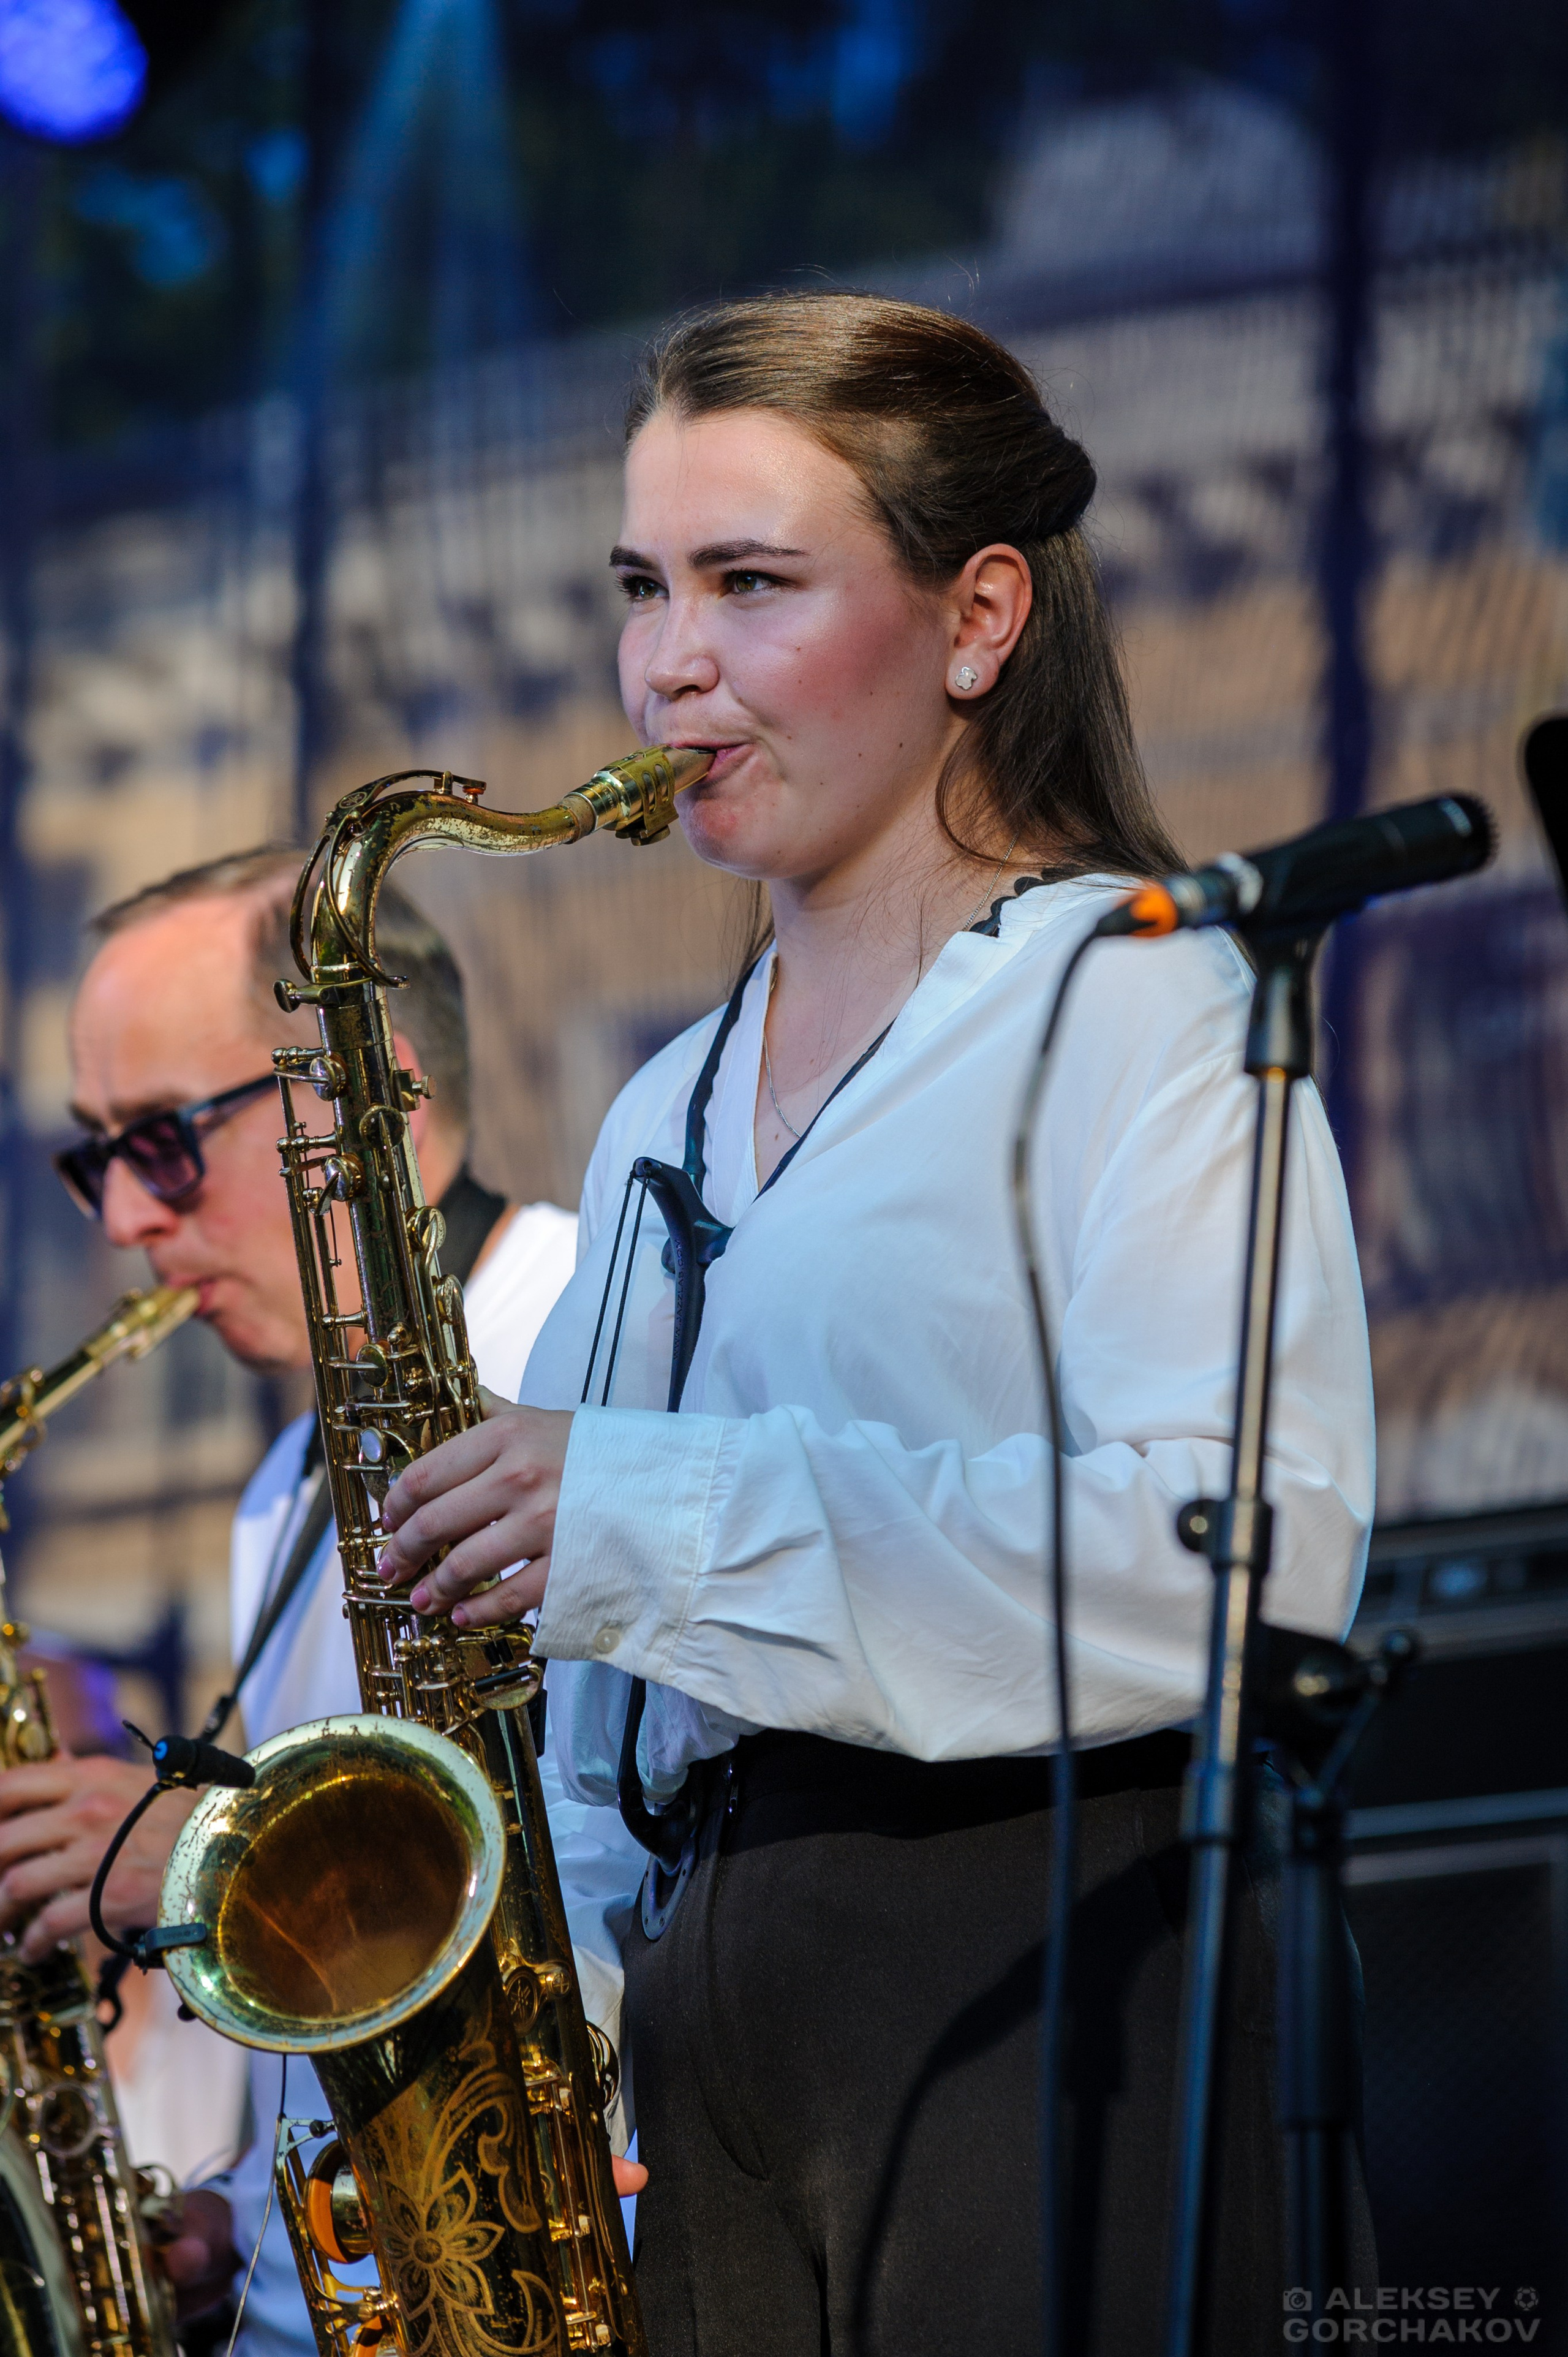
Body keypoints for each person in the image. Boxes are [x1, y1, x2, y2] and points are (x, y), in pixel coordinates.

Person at [372, 293, 1378, 2356]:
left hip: (1050, 1957)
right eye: (644, 586)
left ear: (979, 615)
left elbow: (1250, 1560)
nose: (668, 662)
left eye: (752, 583)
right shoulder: (663, 1098)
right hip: (727, 2031)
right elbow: (595, 1714)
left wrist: (653, 1511)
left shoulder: (1145, 990)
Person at [0, 847, 629, 2357]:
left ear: (366, 1100)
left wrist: (203, 1855)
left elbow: (612, 1896)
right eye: (96, 1158)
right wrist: (235, 2219)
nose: (125, 1226)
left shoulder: (588, 1343)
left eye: (161, 1141)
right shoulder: (283, 1480)